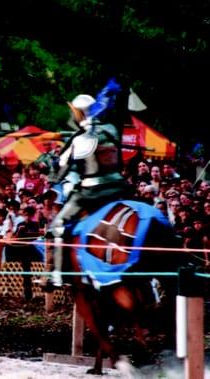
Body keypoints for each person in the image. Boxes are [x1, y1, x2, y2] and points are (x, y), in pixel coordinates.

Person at [45, 85, 129, 287]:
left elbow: (58, 174)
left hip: (93, 192)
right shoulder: (112, 130)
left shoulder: (79, 138)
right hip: (119, 187)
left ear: (79, 114)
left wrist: (51, 162)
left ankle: (56, 275)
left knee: (57, 226)